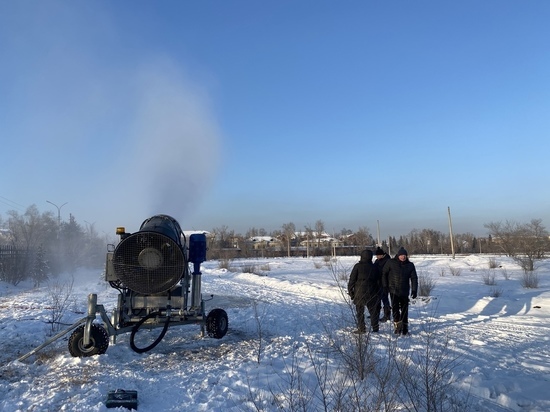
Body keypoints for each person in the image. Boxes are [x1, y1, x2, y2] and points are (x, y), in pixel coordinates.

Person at [382, 247, 418, 335]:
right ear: (398, 255)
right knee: (395, 310)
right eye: (401, 255)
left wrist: (414, 290)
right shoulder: (391, 262)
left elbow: (414, 278)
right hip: (393, 290)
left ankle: (405, 328)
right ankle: (397, 327)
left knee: (405, 310)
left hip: (404, 291)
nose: (403, 257)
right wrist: (385, 285)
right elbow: (384, 273)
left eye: (404, 255)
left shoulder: (410, 265)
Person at [347, 249, 382, 333]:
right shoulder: (375, 267)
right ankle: (375, 327)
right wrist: (378, 292)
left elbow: (352, 279)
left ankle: (362, 328)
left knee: (360, 312)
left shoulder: (357, 266)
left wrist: (351, 291)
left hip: (359, 291)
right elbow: (379, 281)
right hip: (372, 291)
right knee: (373, 311)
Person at [374, 247, 391, 323]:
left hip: (385, 283)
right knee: (377, 299)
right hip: (377, 283)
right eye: (377, 255)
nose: (378, 257)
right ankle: (375, 314)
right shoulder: (377, 261)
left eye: (379, 255)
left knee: (385, 299)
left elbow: (387, 272)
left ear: (383, 255)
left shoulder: (387, 261)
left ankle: (387, 315)